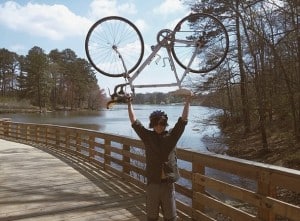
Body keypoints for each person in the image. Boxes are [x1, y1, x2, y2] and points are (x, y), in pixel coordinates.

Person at [127, 89, 193, 221]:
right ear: (152, 124)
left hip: (168, 184)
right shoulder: (148, 136)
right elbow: (134, 121)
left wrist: (187, 101)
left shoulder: (172, 136)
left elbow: (183, 120)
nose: (159, 126)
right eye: (156, 123)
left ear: (165, 123)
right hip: (153, 184)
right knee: (152, 217)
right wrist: (129, 103)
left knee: (171, 217)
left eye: (162, 123)